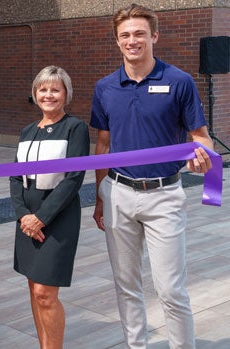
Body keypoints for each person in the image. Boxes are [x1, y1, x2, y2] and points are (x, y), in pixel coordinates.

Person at [90, 4, 213, 349]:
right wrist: (100, 196)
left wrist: (202, 156)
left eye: (139, 33)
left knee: (171, 289)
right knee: (126, 285)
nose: (133, 40)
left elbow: (200, 136)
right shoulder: (105, 87)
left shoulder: (179, 81)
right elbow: (103, 144)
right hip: (118, 193)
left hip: (164, 196)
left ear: (154, 35)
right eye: (125, 35)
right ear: (117, 41)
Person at [9, 66, 89, 349]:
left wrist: (40, 218)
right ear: (35, 93)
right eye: (43, 89)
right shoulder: (27, 130)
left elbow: (73, 180)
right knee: (34, 289)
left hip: (57, 216)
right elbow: (16, 176)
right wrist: (23, 216)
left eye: (55, 89)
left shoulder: (75, 128)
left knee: (45, 292)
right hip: (26, 217)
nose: (48, 95)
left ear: (66, 94)